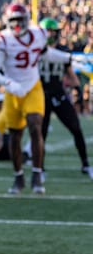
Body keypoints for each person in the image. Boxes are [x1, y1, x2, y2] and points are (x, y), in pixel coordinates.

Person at [0, 3, 73, 194]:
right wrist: (9, 84)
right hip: (13, 91)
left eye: (19, 20)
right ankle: (18, 177)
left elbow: (44, 54)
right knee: (15, 136)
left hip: (33, 87)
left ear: (26, 20)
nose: (16, 25)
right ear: (8, 22)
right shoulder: (3, 40)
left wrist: (67, 58)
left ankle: (37, 174)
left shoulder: (39, 34)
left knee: (35, 124)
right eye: (13, 21)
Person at [36, 17, 92, 179]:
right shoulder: (35, 51)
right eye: (48, 32)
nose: (50, 35)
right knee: (41, 134)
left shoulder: (63, 51)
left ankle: (86, 164)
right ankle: (40, 169)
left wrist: (78, 91)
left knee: (76, 128)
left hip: (58, 94)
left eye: (53, 32)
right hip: (40, 96)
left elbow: (71, 74)